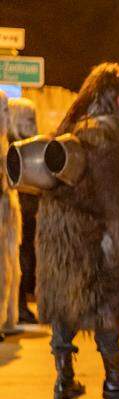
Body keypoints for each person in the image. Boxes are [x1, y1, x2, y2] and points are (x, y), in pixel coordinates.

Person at [36, 63, 119, 399]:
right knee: (108, 300)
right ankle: (114, 378)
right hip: (103, 234)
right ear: (117, 98)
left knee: (64, 300)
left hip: (61, 237)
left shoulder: (70, 129)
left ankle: (64, 379)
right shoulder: (118, 135)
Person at [7, 97, 40, 324]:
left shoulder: (31, 144)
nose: (31, 122)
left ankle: (20, 305)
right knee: (16, 260)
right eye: (27, 118)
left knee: (24, 259)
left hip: (28, 212)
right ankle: (16, 307)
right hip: (14, 213)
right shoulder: (10, 144)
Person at [0, 91, 22, 340]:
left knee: (8, 266)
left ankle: (6, 316)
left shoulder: (5, 141)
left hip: (7, 213)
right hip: (3, 210)